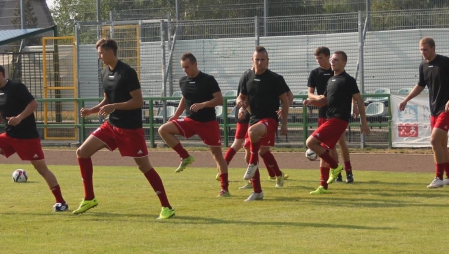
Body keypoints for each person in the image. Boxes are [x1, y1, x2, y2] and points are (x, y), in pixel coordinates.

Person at [74, 38, 175, 219]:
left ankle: (167, 207)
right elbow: (108, 99)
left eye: (101, 53)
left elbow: (138, 102)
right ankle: (89, 198)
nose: (99, 56)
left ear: (111, 52)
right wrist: (92, 110)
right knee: (82, 152)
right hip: (111, 125)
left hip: (130, 129)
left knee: (144, 167)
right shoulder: (105, 72)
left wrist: (115, 107)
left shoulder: (127, 72)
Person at [0, 64, 68, 211]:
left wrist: (19, 117)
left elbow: (33, 104)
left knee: (42, 169)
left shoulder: (16, 87)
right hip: (9, 135)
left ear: (1, 75)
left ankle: (61, 202)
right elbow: (2, 112)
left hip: (27, 137)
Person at [158, 53, 230, 197]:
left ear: (195, 64)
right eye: (183, 67)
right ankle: (185, 156)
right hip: (190, 121)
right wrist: (177, 115)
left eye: (187, 67)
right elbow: (185, 98)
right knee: (163, 129)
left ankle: (224, 189)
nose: (185, 70)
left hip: (208, 123)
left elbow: (219, 99)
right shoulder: (183, 81)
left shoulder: (208, 80)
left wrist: (204, 104)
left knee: (217, 156)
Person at [398, 37, 449, 188]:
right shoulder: (423, 65)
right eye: (421, 50)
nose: (423, 53)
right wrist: (406, 99)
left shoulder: (445, 61)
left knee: (433, 141)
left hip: (448, 109)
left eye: (425, 49)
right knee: (441, 145)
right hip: (434, 110)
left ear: (433, 48)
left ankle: (438, 177)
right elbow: (420, 85)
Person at [305, 51, 370, 194]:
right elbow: (324, 101)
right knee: (324, 150)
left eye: (336, 60)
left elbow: (359, 100)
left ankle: (335, 166)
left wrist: (363, 122)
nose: (333, 62)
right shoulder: (330, 81)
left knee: (310, 142)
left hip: (338, 119)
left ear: (344, 63)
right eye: (332, 60)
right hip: (330, 118)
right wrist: (312, 102)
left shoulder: (348, 80)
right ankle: (323, 186)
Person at [235, 46, 291, 201]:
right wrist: (240, 103)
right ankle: (257, 191)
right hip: (254, 119)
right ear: (252, 60)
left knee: (260, 150)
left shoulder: (275, 78)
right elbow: (241, 97)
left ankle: (256, 166)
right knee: (249, 153)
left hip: (269, 120)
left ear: (268, 61)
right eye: (257, 59)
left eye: (263, 59)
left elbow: (286, 100)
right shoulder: (246, 76)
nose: (260, 62)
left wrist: (284, 123)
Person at [306, 46, 355, 183]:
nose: (318, 61)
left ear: (328, 57)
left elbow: (349, 91)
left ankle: (348, 171)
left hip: (338, 113)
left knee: (341, 141)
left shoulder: (337, 71)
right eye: (317, 59)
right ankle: (336, 173)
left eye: (321, 58)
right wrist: (316, 98)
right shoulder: (315, 73)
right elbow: (310, 93)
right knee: (329, 146)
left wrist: (354, 105)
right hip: (323, 111)